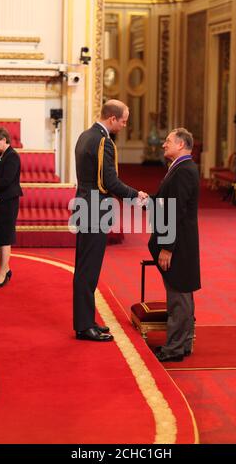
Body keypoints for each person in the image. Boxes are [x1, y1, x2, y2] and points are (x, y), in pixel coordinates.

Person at [73, 99, 148, 342]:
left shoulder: (85, 135)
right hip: (96, 208)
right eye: (124, 121)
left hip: (84, 204)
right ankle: (85, 327)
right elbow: (110, 182)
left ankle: (86, 321)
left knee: (84, 268)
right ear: (112, 118)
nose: (125, 125)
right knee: (89, 270)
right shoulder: (104, 141)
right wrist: (135, 195)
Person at [148, 128, 201, 362]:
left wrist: (167, 247)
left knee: (178, 296)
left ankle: (174, 349)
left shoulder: (183, 171)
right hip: (182, 241)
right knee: (183, 293)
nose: (163, 145)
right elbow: (164, 202)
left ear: (181, 144)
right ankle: (184, 343)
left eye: (168, 141)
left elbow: (175, 211)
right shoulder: (181, 167)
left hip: (178, 245)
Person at [0, 127, 23, 288]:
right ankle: (5, 268)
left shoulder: (12, 157)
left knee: (5, 237)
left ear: (4, 140)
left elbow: (6, 181)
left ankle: (3, 274)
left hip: (7, 203)